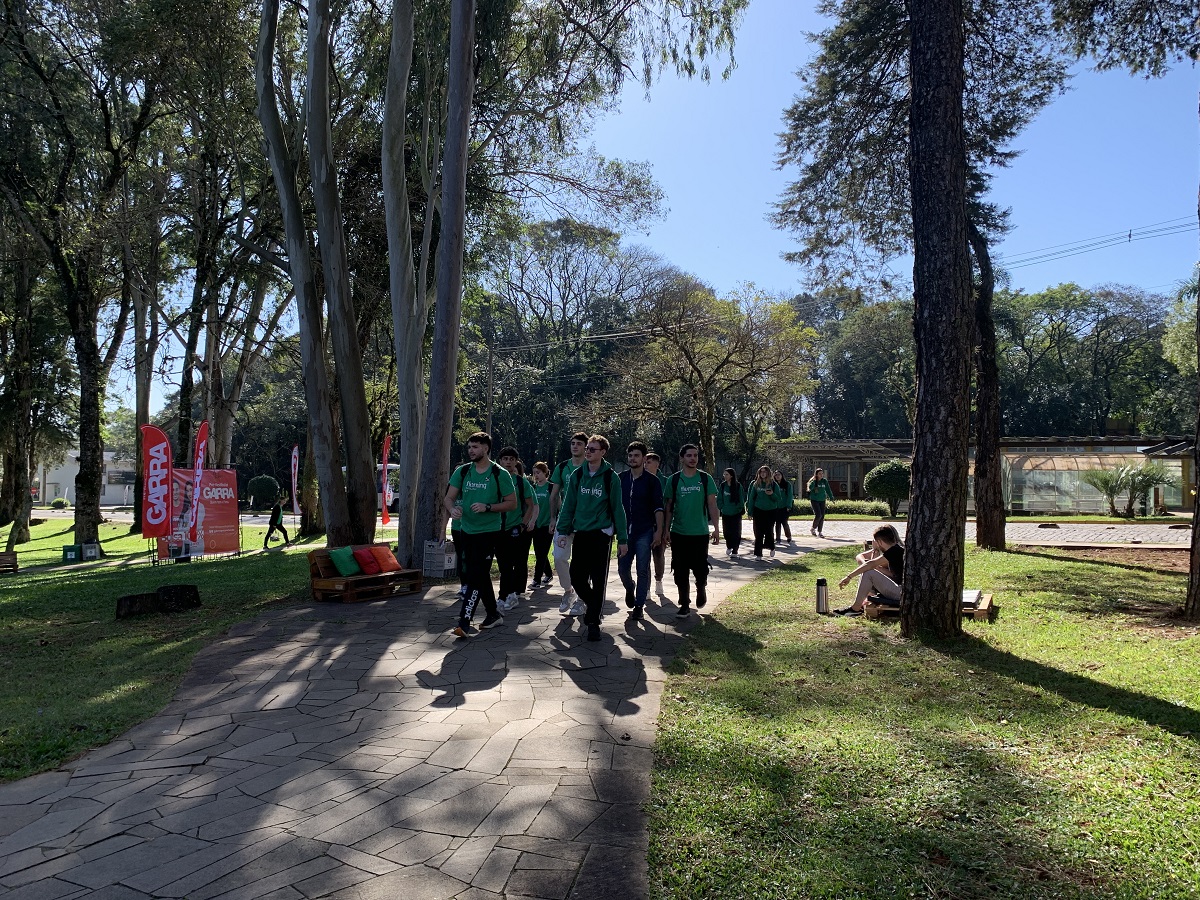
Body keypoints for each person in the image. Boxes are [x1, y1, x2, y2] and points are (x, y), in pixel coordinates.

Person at [443, 432, 517, 637]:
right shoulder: (463, 471)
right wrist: (453, 509)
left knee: (475, 576)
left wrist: (488, 507)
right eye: (469, 447)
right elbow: (448, 498)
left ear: (486, 449)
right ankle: (493, 614)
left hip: (489, 532)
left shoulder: (499, 473)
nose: (471, 451)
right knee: (478, 573)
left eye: (475, 447)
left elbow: (512, 503)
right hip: (466, 530)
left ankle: (464, 622)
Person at [556, 435, 628, 641]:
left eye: (593, 449)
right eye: (587, 448)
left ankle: (594, 621)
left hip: (601, 536)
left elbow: (618, 509)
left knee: (598, 580)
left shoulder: (610, 477)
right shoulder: (577, 476)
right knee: (577, 577)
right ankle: (593, 606)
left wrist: (622, 539)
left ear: (603, 452)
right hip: (581, 534)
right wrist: (562, 531)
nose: (587, 451)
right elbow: (569, 504)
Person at [662, 444, 720, 617]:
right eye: (689, 455)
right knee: (680, 569)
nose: (693, 458)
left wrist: (716, 528)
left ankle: (701, 587)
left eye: (695, 455)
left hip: (700, 532)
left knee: (700, 567)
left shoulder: (704, 478)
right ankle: (684, 603)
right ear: (682, 458)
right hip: (679, 532)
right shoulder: (673, 480)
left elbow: (712, 504)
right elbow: (669, 507)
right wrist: (666, 530)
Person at [617, 441, 665, 622]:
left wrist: (658, 531)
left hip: (645, 531)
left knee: (642, 569)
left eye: (636, 455)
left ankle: (639, 605)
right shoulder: (620, 478)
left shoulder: (652, 481)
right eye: (630, 455)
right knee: (622, 569)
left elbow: (658, 508)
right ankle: (630, 588)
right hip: (624, 532)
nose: (633, 458)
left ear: (644, 459)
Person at [550, 432, 589, 616]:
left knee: (583, 562)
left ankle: (583, 599)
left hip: (586, 522)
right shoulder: (563, 467)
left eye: (579, 444)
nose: (575, 446)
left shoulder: (591, 467)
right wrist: (553, 517)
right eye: (573, 443)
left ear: (586, 447)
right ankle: (568, 591)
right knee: (559, 557)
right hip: (564, 521)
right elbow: (554, 494)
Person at [496, 448, 539, 613]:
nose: (508, 462)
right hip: (496, 527)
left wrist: (523, 523)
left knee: (513, 562)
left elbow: (531, 504)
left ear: (516, 462)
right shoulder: (494, 478)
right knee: (503, 564)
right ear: (500, 460)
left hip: (514, 528)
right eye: (505, 459)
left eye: (511, 459)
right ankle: (507, 593)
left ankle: (508, 595)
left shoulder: (521, 482)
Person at [834, 525, 904, 617]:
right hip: (901, 590)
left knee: (869, 572)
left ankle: (855, 609)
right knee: (870, 572)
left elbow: (870, 564)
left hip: (901, 593)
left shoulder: (894, 551)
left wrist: (849, 577)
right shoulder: (898, 549)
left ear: (879, 541)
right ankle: (863, 604)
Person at [745, 466, 782, 559]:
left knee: (769, 531)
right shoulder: (756, 484)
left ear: (768, 473)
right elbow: (751, 498)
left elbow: (778, 499)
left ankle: (771, 547)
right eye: (761, 472)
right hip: (758, 510)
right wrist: (750, 512)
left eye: (764, 472)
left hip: (771, 510)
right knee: (758, 532)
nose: (762, 474)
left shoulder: (773, 484)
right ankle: (758, 553)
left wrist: (772, 494)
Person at [644, 451, 668, 593]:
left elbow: (669, 506)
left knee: (658, 556)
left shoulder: (665, 481)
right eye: (645, 462)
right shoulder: (641, 479)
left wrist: (665, 529)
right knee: (643, 557)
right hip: (644, 526)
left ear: (657, 464)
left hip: (660, 525)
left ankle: (659, 579)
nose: (645, 465)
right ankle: (645, 587)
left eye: (648, 462)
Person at [529, 462, 554, 588]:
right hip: (535, 525)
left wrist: (553, 520)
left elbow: (557, 505)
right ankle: (548, 573)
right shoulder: (532, 488)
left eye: (538, 472)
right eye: (534, 473)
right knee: (539, 552)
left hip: (547, 525)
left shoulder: (551, 488)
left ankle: (536, 579)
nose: (536, 475)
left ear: (545, 473)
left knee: (542, 552)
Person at [717, 468, 744, 557]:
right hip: (726, 513)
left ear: (731, 475)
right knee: (726, 532)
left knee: (736, 532)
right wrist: (721, 507)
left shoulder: (738, 486)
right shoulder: (723, 485)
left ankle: (735, 551)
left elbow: (741, 499)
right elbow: (719, 498)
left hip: (736, 513)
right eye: (724, 474)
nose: (724, 476)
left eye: (726, 474)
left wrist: (739, 509)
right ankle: (729, 546)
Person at [807, 467, 835, 538]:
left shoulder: (824, 481)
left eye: (822, 474)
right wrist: (814, 481)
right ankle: (813, 528)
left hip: (822, 500)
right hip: (815, 500)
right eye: (820, 474)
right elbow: (810, 488)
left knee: (822, 516)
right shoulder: (813, 481)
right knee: (818, 515)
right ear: (816, 474)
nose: (821, 475)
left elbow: (828, 489)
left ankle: (820, 532)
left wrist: (831, 497)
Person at [773, 470, 794, 544]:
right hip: (776, 507)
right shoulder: (773, 485)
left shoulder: (787, 484)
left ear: (782, 475)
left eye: (779, 474)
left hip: (785, 506)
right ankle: (778, 538)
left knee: (784, 522)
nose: (777, 476)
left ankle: (789, 537)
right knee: (777, 523)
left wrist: (789, 505)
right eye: (776, 475)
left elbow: (790, 496)